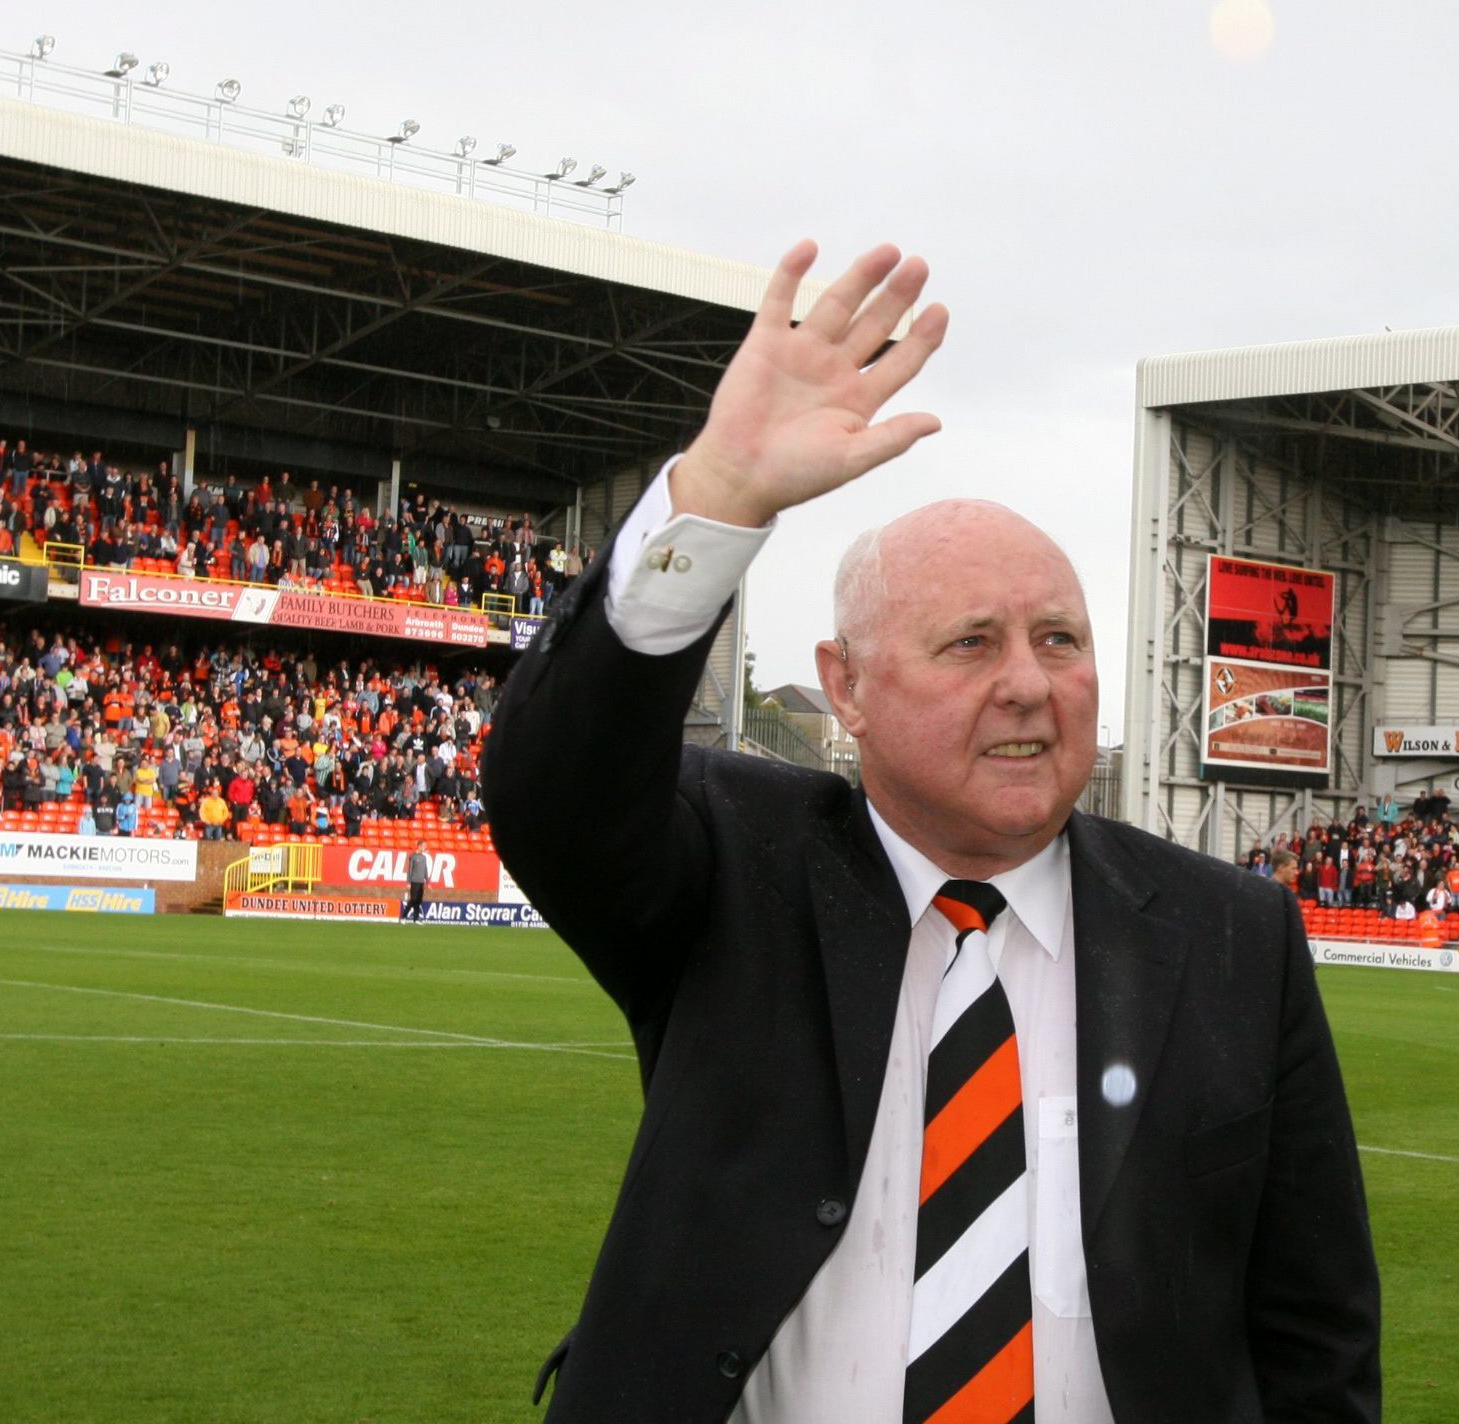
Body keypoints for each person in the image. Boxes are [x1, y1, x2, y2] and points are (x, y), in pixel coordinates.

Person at [485, 241, 1378, 1424]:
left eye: (1058, 639)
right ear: (842, 686)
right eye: (969, 642)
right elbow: (558, 790)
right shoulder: (735, 869)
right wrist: (715, 496)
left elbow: (1313, 1333)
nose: (1026, 683)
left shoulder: (1231, 934)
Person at [404, 840, 430, 923]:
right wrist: (408, 882)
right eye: (424, 846)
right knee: (413, 899)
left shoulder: (424, 857)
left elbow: (425, 869)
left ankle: (416, 919)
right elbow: (410, 870)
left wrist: (427, 882)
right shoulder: (413, 856)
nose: (425, 848)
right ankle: (404, 917)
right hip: (414, 881)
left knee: (418, 900)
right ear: (419, 846)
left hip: (421, 882)